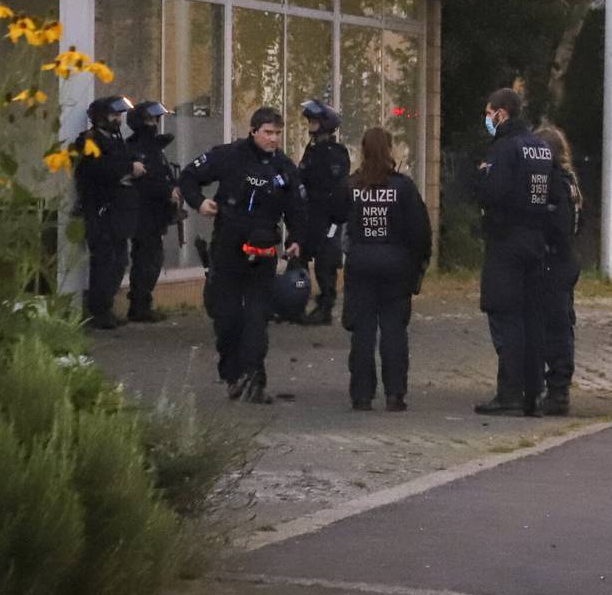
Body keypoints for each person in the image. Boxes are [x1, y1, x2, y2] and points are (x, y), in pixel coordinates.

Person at [179, 107, 309, 405]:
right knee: (226, 317)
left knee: (256, 319)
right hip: (227, 246)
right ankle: (231, 373)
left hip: (263, 251)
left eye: (277, 133)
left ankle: (253, 380)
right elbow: (189, 176)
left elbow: (299, 208)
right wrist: (200, 203)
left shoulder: (284, 168)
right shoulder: (229, 155)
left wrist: (296, 240)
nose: (273, 139)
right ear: (253, 131)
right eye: (267, 132)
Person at [474, 88, 569, 417]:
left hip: (507, 240)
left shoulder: (505, 148)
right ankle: (533, 392)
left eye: (489, 113)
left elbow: (492, 191)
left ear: (502, 113)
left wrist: (480, 181)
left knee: (505, 315)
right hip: (536, 241)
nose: (487, 119)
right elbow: (555, 192)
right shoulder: (541, 148)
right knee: (532, 319)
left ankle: (509, 392)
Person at [342, 126, 432, 412]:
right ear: (390, 151)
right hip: (396, 265)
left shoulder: (352, 186)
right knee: (394, 330)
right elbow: (420, 231)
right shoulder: (402, 187)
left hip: (360, 264)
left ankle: (361, 395)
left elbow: (338, 224)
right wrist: (418, 264)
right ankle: (395, 394)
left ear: (363, 151)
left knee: (363, 331)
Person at [73, 94, 139, 329]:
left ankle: (106, 306)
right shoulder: (88, 141)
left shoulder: (116, 140)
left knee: (119, 260)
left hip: (118, 211)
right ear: (101, 117)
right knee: (104, 260)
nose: (118, 120)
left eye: (120, 115)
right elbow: (97, 170)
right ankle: (99, 310)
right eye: (114, 115)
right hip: (99, 209)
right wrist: (128, 168)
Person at [535, 125, 584, 416]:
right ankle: (558, 385)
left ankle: (557, 390)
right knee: (562, 323)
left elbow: (557, 226)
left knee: (555, 327)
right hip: (568, 260)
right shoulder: (571, 181)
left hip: (555, 260)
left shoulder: (554, 182)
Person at [123, 100, 179, 324]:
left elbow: (162, 173)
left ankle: (142, 303)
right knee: (147, 260)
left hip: (156, 213)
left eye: (156, 119)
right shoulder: (136, 148)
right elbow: (147, 182)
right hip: (143, 212)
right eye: (150, 120)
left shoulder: (153, 148)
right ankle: (139, 306)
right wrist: (167, 190)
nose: (155, 124)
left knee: (151, 259)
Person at [297, 99, 351, 326]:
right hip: (310, 214)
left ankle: (326, 307)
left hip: (328, 217)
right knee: (298, 256)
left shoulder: (335, 153)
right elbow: (303, 176)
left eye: (315, 120)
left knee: (325, 263)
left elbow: (336, 186)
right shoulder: (312, 150)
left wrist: (335, 216)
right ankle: (294, 300)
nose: (310, 124)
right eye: (310, 120)